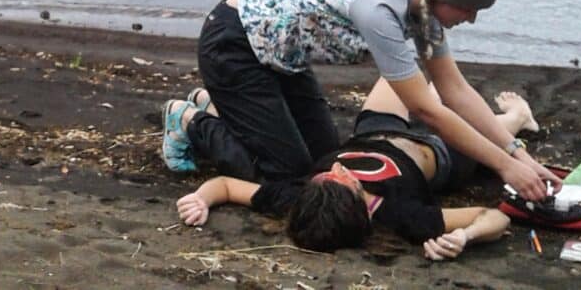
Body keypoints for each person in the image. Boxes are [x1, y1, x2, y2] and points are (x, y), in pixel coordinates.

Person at [160, 0, 561, 201]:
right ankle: (191, 122)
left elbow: (454, 89)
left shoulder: (423, 5)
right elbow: (427, 110)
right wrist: (504, 168)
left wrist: (516, 153)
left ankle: (217, 103)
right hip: (235, 46)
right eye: (470, 8)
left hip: (282, 56)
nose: (472, 19)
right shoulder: (380, 10)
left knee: (327, 161)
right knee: (292, 180)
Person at [172, 80, 540, 258]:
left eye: (326, 175)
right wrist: (466, 236)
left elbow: (224, 185)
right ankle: (517, 117)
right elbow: (493, 217)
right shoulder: (401, 215)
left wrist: (201, 199)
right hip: (438, 153)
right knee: (484, 139)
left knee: (403, 59)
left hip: (372, 129)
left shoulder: (303, 199)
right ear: (359, 204)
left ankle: (429, 95)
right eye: (342, 180)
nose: (337, 170)